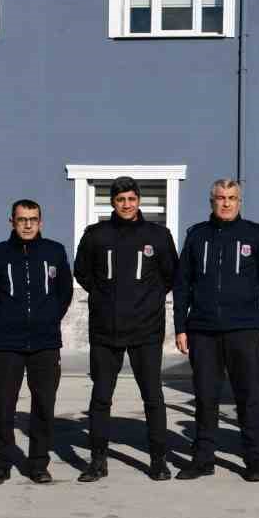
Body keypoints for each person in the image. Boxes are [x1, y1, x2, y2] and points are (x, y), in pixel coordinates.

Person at [172, 179, 259, 482]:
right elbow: (182, 285)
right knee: (206, 398)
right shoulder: (197, 236)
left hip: (245, 329)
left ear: (239, 201)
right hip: (203, 330)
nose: (226, 203)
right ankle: (203, 459)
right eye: (220, 197)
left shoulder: (255, 235)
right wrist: (181, 326)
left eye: (232, 198)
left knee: (248, 398)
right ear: (212, 201)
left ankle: (253, 461)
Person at [72, 176, 178, 483]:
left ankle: (158, 460)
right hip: (106, 330)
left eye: (131, 199)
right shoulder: (96, 235)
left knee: (152, 397)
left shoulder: (157, 235)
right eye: (121, 200)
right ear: (112, 202)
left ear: (139, 200)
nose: (127, 205)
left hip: (146, 330)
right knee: (101, 397)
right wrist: (104, 297)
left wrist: (150, 299)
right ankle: (97, 460)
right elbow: (82, 271)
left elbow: (171, 274)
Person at [0, 198, 73, 485]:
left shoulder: (54, 252)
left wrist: (48, 318)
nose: (28, 224)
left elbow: (64, 292)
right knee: (4, 405)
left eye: (33, 219)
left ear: (41, 222)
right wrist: (4, 318)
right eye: (22, 219)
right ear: (12, 221)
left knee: (44, 405)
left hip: (45, 343)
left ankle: (38, 464)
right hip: (6, 343)